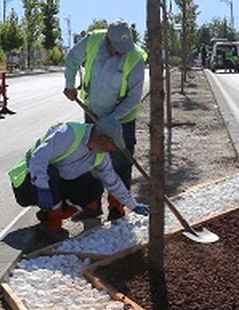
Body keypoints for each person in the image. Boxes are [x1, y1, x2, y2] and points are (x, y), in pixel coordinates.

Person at [9, 121, 148, 244]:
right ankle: (52, 226)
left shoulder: (100, 155)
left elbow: (113, 182)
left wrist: (133, 205)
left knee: (94, 186)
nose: (112, 149)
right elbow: (38, 158)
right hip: (27, 183)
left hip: (54, 185)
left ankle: (50, 215)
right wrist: (42, 188)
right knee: (50, 172)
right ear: (100, 138)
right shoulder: (68, 134)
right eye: (111, 145)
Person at [63, 21, 147, 221]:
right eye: (117, 49)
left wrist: (113, 119)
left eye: (124, 49)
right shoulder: (93, 41)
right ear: (107, 40)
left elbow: (133, 98)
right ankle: (92, 205)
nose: (121, 53)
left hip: (122, 119)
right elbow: (72, 59)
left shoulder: (135, 58)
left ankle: (117, 208)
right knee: (90, 159)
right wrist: (69, 84)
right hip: (92, 113)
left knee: (120, 162)